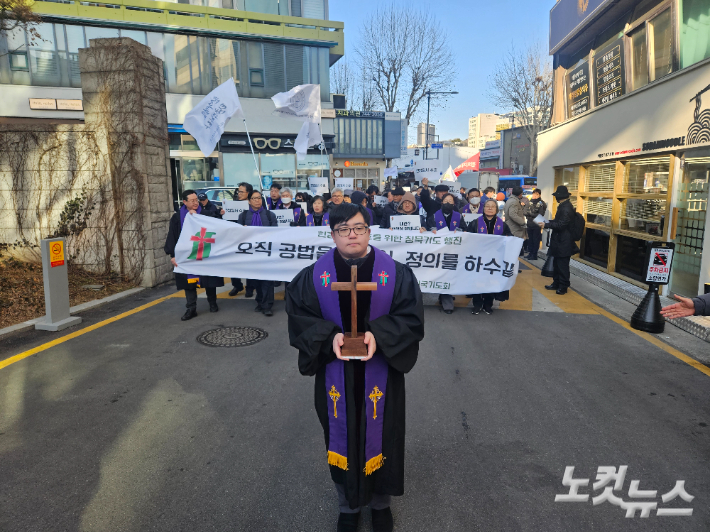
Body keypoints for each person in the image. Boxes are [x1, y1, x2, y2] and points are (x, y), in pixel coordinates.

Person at [286, 203, 424, 532]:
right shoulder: (314, 277)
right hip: (336, 372)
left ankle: (380, 505)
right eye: (343, 229)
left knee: (384, 435)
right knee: (340, 436)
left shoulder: (396, 274)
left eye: (358, 228)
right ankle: (347, 506)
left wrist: (379, 335)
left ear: (369, 231)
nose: (352, 235)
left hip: (382, 374)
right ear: (332, 234)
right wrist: (329, 337)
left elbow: (411, 318)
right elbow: (300, 316)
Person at [164, 189, 225, 320]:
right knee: (189, 283)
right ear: (184, 202)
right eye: (192, 201)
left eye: (196, 200)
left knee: (209, 279)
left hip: (205, 252)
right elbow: (172, 236)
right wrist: (172, 255)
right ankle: (191, 308)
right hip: (187, 255)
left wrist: (199, 217)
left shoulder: (206, 214)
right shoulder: (177, 217)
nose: (195, 203)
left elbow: (219, 225)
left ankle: (212, 303)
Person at [423, 193, 466, 314]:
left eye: (450, 201)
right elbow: (427, 228)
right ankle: (444, 297)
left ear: (454, 203)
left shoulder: (458, 216)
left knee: (448, 274)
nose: (448, 203)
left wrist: (460, 231)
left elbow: (465, 229)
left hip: (453, 250)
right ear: (441, 202)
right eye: (445, 201)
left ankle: (446, 300)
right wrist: (431, 230)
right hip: (437, 250)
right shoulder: (434, 216)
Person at [237, 190, 278, 316]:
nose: (257, 200)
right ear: (249, 201)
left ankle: (267, 306)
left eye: (259, 198)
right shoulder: (243, 216)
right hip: (252, 254)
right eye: (254, 198)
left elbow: (276, 232)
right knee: (256, 280)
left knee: (268, 280)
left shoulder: (270, 215)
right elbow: (238, 234)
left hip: (266, 252)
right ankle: (260, 302)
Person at [467, 199, 510, 314]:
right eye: (487, 206)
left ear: (496, 209)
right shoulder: (475, 223)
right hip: (478, 258)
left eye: (493, 206)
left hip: (495, 259)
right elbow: (468, 238)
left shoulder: (503, 225)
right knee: (477, 281)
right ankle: (477, 304)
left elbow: (510, 239)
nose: (490, 208)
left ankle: (488, 304)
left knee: (490, 281)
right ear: (483, 208)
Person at [539, 185, 578, 295]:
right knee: (556, 264)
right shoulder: (564, 206)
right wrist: (548, 223)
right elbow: (558, 222)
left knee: (562, 265)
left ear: (559, 196)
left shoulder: (566, 208)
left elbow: (561, 225)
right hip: (559, 241)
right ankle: (556, 283)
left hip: (564, 242)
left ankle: (563, 286)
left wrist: (547, 224)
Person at [228, 182, 254, 297]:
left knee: (249, 264)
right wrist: (223, 213)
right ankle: (237, 285)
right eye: (238, 191)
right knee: (233, 263)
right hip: (235, 238)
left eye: (241, 192)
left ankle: (250, 287)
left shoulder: (254, 205)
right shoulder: (233, 205)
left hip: (249, 239)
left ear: (248, 193)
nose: (239, 194)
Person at [503, 186, 528, 256]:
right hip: (515, 228)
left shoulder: (509, 200)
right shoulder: (514, 202)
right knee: (516, 250)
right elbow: (513, 214)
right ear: (520, 194)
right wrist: (523, 222)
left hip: (511, 226)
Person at [524, 188, 547, 261]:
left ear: (539, 195)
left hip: (537, 224)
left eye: (536, 194)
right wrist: (532, 214)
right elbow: (524, 211)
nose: (534, 196)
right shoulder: (529, 202)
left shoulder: (541, 203)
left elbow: (540, 214)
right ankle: (530, 253)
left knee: (536, 240)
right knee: (530, 239)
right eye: (533, 194)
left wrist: (531, 214)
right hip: (529, 223)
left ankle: (534, 255)